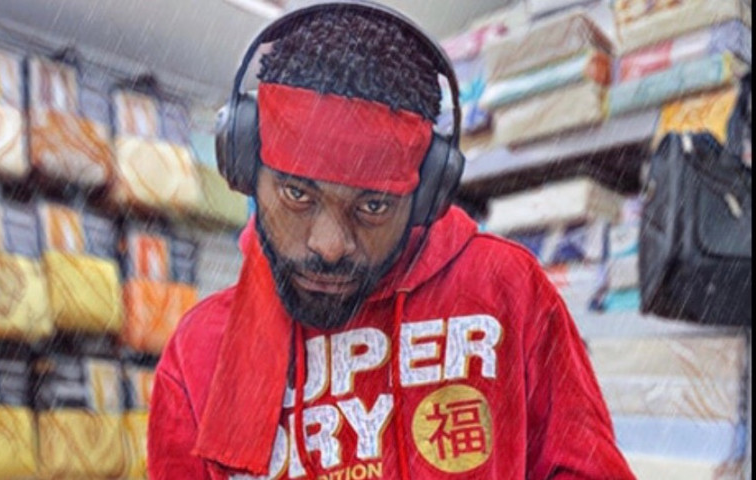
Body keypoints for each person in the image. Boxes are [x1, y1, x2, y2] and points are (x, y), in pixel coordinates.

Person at [149, 3, 636, 479]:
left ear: (426, 196)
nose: (330, 245)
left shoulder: (505, 291)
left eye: (373, 207)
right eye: (297, 195)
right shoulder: (199, 352)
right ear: (244, 167)